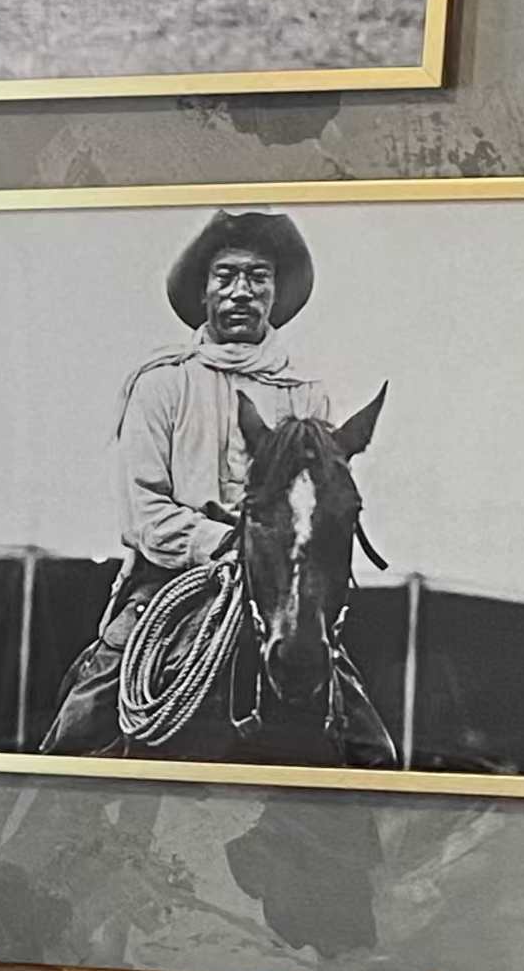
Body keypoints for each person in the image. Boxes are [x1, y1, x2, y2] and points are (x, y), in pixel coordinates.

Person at [41, 206, 333, 753]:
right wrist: (227, 543)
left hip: (275, 594)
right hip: (170, 586)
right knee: (83, 725)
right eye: (226, 277)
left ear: (276, 292)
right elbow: (145, 513)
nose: (241, 291)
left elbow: (316, 506)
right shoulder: (161, 385)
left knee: (365, 739)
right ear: (204, 293)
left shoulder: (305, 394)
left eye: (258, 277)